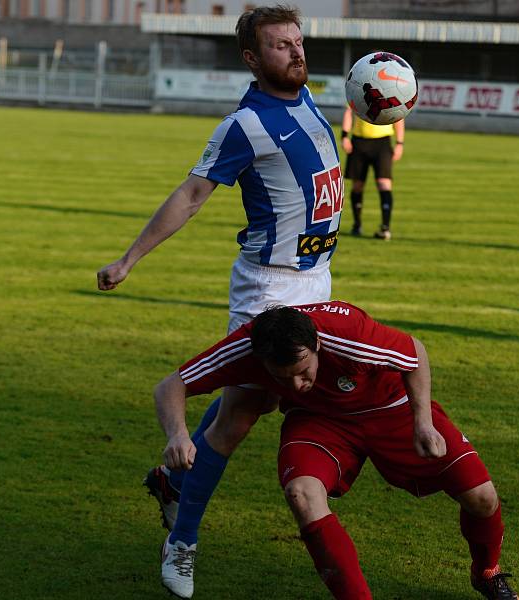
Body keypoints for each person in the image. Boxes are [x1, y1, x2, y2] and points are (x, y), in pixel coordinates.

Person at [96, 5, 343, 597]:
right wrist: (129, 259)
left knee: (249, 404)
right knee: (235, 417)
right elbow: (192, 193)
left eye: (298, 40)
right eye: (281, 45)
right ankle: (180, 543)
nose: (296, 52)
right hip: (271, 289)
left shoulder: (307, 99)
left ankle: (170, 480)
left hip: (316, 280)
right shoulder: (245, 124)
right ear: (253, 59)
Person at [158, 301, 519, 600]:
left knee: (482, 498)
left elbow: (414, 352)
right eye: (282, 379)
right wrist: (177, 433)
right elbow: (170, 386)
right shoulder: (246, 346)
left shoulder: (348, 334)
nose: (297, 384)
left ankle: (486, 572)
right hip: (318, 422)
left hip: (388, 408)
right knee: (301, 493)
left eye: (303, 372)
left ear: (316, 345)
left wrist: (422, 421)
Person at [341, 105, 404, 240]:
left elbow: (399, 117)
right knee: (357, 185)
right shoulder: (359, 89)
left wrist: (400, 143)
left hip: (382, 143)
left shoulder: (389, 93)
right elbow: (349, 111)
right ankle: (357, 225)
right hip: (359, 142)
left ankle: (385, 228)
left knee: (384, 184)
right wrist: (344, 136)